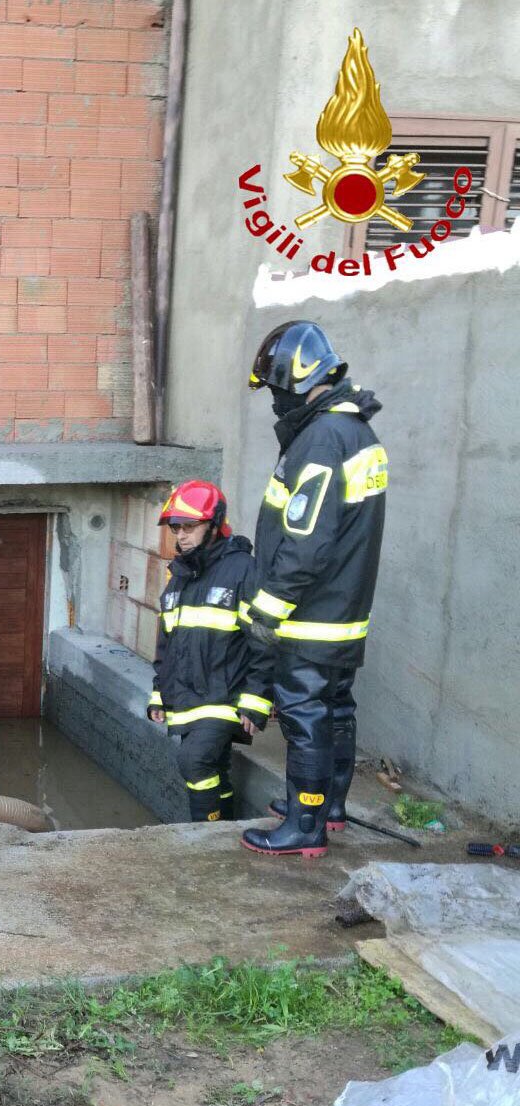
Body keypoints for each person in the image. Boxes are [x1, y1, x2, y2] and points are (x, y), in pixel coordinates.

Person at [240, 320, 387, 858]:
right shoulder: (356, 432)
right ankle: (330, 807)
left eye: (274, 389)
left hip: (310, 615)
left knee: (304, 715)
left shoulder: (322, 439)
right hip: (344, 612)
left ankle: (304, 824)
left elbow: (306, 541)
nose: (274, 401)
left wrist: (267, 610)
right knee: (336, 708)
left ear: (294, 379)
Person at [147, 480, 274, 822]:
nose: (181, 536)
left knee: (194, 762)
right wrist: (159, 693)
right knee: (214, 767)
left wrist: (256, 698)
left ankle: (206, 833)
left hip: (225, 696)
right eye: (176, 528)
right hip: (187, 696)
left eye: (190, 527)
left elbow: (264, 640)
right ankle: (225, 825)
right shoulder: (180, 576)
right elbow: (167, 644)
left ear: (214, 525)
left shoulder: (242, 570)